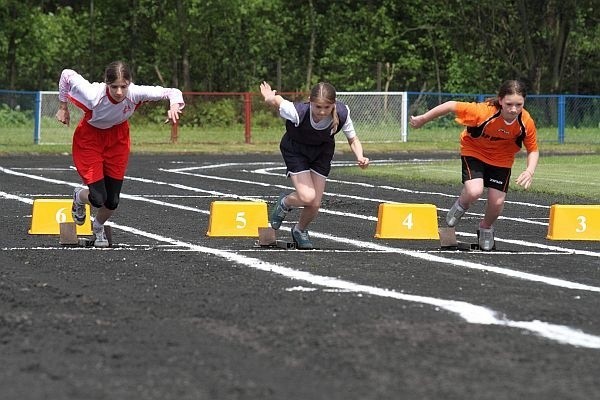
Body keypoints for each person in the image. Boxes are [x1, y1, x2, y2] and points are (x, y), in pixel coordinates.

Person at [55, 61, 184, 247]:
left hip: (118, 139)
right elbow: (66, 73)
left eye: (123, 87)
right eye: (114, 87)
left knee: (112, 201)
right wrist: (63, 106)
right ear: (106, 83)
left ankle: (98, 228)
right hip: (90, 138)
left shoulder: (135, 93)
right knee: (98, 198)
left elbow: (173, 91)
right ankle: (78, 196)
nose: (119, 92)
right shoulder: (92, 94)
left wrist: (174, 105)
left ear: (130, 83)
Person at [409, 79, 539, 251]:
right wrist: (423, 119)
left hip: (502, 159)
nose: (513, 109)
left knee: (497, 201)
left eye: (518, 104)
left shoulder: (525, 121)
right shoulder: (483, 112)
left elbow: (533, 149)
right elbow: (450, 105)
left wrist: (530, 171)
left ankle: (485, 227)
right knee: (474, 191)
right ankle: (461, 204)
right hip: (474, 151)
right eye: (509, 104)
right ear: (500, 100)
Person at [260, 81, 369, 249]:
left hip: (321, 153)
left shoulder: (342, 113)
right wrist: (269, 98)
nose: (322, 112)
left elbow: (353, 139)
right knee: (307, 197)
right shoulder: (298, 112)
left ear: (334, 104)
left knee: (315, 204)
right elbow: (278, 101)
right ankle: (285, 202)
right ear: (310, 100)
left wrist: (360, 156)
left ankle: (299, 230)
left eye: (327, 107)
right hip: (296, 150)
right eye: (318, 107)